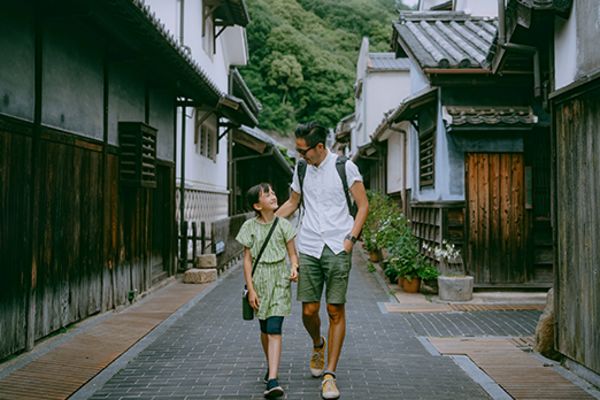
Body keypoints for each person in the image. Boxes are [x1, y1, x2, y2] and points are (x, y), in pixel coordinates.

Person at [276, 122, 368, 400]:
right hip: (309, 245)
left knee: (334, 310)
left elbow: (363, 205)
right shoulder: (302, 168)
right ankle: (318, 343)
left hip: (338, 245)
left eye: (304, 150)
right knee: (308, 311)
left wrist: (351, 239)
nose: (300, 155)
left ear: (319, 147)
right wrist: (268, 224)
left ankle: (330, 374)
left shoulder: (344, 167)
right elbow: (293, 202)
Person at [236, 183, 299, 399]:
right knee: (264, 328)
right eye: (267, 194)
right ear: (257, 205)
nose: (273, 196)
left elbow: (292, 254)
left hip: (280, 281)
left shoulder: (284, 225)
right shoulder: (248, 227)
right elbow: (247, 260)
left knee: (274, 328)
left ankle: (273, 379)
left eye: (273, 192)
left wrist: (293, 267)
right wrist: (251, 289)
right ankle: (270, 366)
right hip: (260, 282)